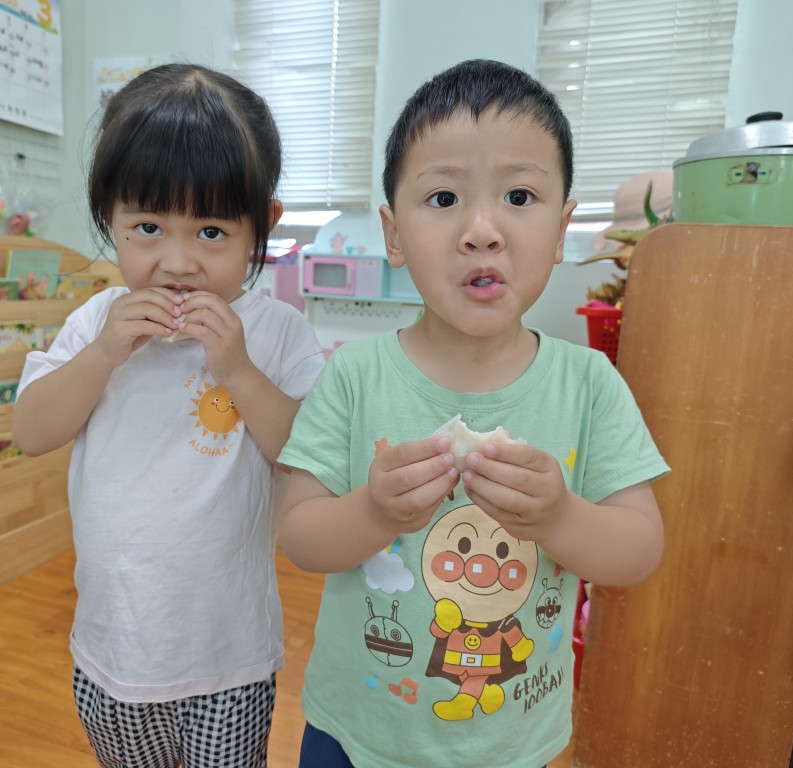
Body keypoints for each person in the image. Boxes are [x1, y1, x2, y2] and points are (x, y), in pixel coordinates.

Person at [277, 59, 669, 768]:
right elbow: (300, 537)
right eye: (444, 197)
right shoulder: (355, 375)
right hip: (354, 733)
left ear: (562, 230)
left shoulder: (589, 384)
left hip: (511, 745)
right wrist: (374, 511)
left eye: (519, 195)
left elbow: (639, 550)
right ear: (394, 235)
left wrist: (558, 517)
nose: (481, 230)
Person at [12, 63, 325, 768]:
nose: (177, 263)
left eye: (211, 231)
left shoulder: (276, 333)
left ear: (262, 226)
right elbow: (30, 432)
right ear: (110, 218)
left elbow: (308, 456)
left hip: (229, 657)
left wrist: (240, 371)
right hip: (113, 650)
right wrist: (102, 355)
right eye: (148, 227)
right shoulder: (96, 320)